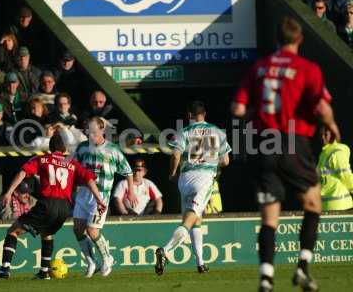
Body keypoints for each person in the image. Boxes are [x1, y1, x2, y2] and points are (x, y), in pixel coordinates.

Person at [230, 17, 340, 292]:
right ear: (300, 40)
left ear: (276, 40)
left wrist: (258, 113)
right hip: (294, 141)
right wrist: (332, 126)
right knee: (313, 203)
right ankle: (302, 266)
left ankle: (266, 277)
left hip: (264, 143)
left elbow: (238, 110)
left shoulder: (258, 68)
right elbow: (322, 108)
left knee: (269, 217)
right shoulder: (307, 68)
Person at [0, 133, 106, 281]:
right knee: (47, 233)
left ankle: (4, 268)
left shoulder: (41, 159)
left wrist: (9, 192)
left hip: (47, 203)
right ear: (64, 149)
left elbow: (23, 172)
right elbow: (89, 179)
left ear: (50, 148)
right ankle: (43, 272)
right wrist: (99, 199)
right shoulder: (72, 163)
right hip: (65, 208)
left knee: (13, 231)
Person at [155, 101, 231, 275]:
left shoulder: (184, 132)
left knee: (196, 218)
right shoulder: (218, 132)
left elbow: (175, 155)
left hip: (185, 178)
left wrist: (173, 173)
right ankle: (166, 250)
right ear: (205, 114)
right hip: (204, 178)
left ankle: (200, 263)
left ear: (189, 115)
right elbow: (226, 161)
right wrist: (212, 161)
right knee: (189, 220)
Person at [73, 116, 137, 278]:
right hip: (83, 195)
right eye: (89, 131)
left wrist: (131, 191)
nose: (91, 134)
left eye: (94, 131)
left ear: (102, 130)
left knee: (92, 230)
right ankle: (92, 263)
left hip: (101, 196)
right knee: (78, 229)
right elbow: (74, 167)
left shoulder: (112, 150)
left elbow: (128, 171)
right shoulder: (82, 148)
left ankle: (108, 258)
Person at [318, 127, 353, 210]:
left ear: (333, 135)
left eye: (326, 134)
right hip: (326, 207)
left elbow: (347, 177)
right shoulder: (324, 153)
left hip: (341, 206)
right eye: (321, 135)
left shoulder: (337, 153)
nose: (323, 137)